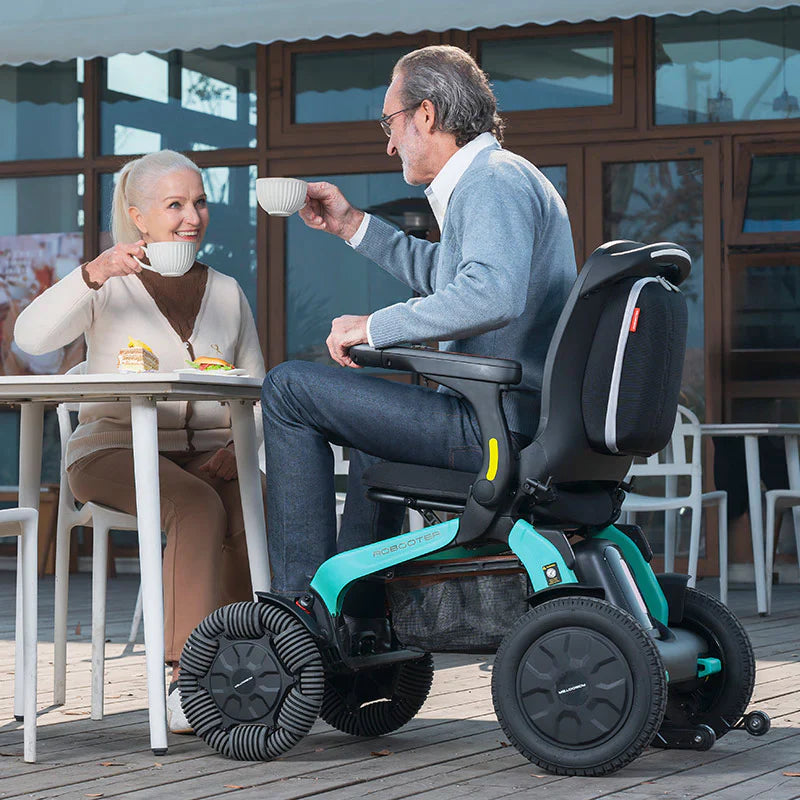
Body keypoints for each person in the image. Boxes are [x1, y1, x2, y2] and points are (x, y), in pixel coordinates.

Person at [261, 45, 576, 611]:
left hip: (492, 426)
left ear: (426, 115)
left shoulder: (490, 183)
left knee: (287, 389)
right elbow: (446, 275)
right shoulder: (500, 178)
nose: (388, 142)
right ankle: (359, 612)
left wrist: (375, 327)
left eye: (390, 122)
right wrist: (353, 225)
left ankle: (297, 609)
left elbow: (489, 293)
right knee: (371, 437)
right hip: (508, 417)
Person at [14, 149, 265, 733]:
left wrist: (239, 448)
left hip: (205, 454)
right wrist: (92, 274)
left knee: (253, 505)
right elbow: (30, 339)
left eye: (199, 202)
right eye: (174, 204)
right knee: (197, 505)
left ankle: (240, 666)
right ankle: (188, 677)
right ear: (139, 217)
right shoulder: (106, 283)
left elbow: (255, 385)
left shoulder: (226, 291)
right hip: (110, 452)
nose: (192, 217)